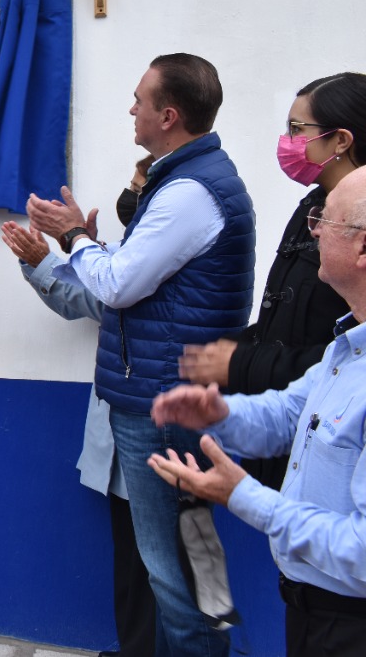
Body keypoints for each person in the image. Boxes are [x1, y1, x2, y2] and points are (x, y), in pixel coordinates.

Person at [26, 54, 255, 657]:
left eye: (139, 100)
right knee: (191, 554)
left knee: (168, 567)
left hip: (159, 404)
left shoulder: (189, 191)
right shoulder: (190, 179)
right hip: (171, 396)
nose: (131, 109)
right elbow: (131, 283)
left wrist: (73, 237)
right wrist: (81, 245)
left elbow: (119, 285)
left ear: (169, 115)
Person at [148, 163, 366, 657]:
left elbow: (361, 553)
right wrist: (218, 415)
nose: (311, 231)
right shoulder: (347, 346)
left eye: (324, 221)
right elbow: (290, 413)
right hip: (311, 607)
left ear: (363, 248)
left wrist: (243, 495)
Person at [1, 155, 156, 657]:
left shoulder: (166, 252)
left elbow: (99, 300)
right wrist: (76, 252)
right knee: (136, 562)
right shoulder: (133, 252)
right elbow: (97, 294)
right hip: (131, 433)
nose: (129, 198)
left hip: (158, 431)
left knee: (166, 565)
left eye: (139, 187)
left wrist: (68, 250)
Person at [179, 73, 363, 489]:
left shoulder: (356, 225)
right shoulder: (313, 206)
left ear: (341, 141)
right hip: (293, 439)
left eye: (298, 130)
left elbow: (346, 359)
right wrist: (237, 350)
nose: (288, 141)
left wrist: (242, 363)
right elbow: (291, 319)